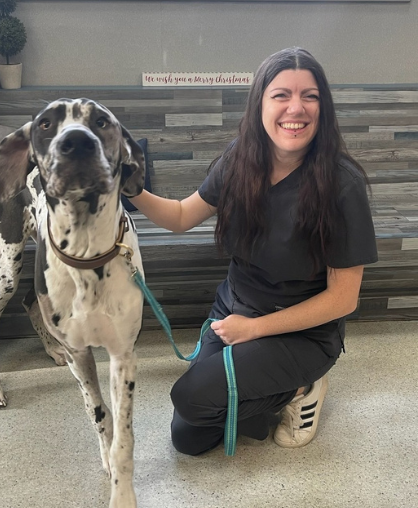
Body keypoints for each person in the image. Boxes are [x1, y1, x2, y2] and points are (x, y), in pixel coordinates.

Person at [129, 47, 378, 455]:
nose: (295, 108)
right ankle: (269, 391)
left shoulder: (342, 185)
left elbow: (343, 297)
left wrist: (253, 330)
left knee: (193, 397)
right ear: (260, 102)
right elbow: (178, 216)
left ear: (323, 107)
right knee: (189, 437)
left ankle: (302, 386)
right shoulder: (238, 159)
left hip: (300, 334)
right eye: (281, 94)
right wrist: (131, 189)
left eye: (309, 96)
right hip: (234, 309)